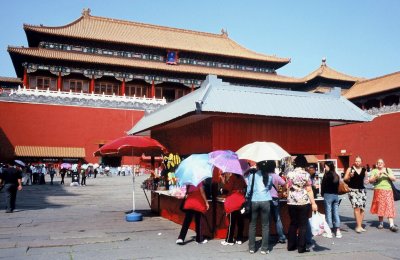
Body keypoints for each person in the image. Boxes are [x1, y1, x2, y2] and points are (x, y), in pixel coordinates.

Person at [286, 166, 318, 253]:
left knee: (293, 223)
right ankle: (301, 247)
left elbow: (288, 187)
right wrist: (313, 203)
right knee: (302, 225)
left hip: (291, 202)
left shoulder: (289, 174)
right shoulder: (306, 175)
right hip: (303, 202)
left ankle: (291, 246)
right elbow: (309, 189)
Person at [246, 160, 273, 255]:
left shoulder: (252, 175)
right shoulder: (269, 176)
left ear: (257, 166)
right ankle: (264, 249)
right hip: (265, 201)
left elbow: (249, 190)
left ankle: (252, 248)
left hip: (254, 201)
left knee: (252, 225)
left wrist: (247, 197)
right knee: (265, 226)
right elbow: (269, 188)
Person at [369, 159, 398, 232]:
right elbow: (370, 180)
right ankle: (381, 223)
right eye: (378, 163)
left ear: (384, 164)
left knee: (389, 206)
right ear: (377, 164)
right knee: (380, 206)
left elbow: (394, 179)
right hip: (378, 190)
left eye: (381, 162)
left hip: (388, 190)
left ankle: (391, 225)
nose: (380, 164)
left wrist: (386, 174)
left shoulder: (388, 170)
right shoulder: (374, 171)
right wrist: (377, 175)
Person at [220, 172, 246, 245]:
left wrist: (223, 183)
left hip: (233, 201)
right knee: (240, 221)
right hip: (241, 200)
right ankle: (239, 239)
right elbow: (245, 187)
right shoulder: (241, 178)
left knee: (232, 222)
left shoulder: (232, 178)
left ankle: (229, 240)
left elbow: (227, 189)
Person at [344, 156, 368, 233]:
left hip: (362, 191)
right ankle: (358, 226)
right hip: (353, 190)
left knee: (362, 209)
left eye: (359, 161)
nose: (358, 162)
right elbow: (345, 179)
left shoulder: (364, 170)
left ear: (361, 162)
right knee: (356, 207)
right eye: (356, 161)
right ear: (354, 161)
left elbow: (366, 180)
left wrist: (370, 180)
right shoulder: (350, 169)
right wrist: (349, 176)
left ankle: (360, 226)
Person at [321, 161, 342, 238]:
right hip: (335, 195)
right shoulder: (336, 175)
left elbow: (323, 185)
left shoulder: (327, 175)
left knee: (328, 213)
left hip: (328, 195)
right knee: (336, 213)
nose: (325, 168)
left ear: (328, 166)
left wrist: (322, 193)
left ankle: (329, 231)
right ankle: (338, 231)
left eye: (325, 166)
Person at [268, 161, 287, 244]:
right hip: (275, 198)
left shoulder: (264, 176)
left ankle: (267, 238)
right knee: (277, 219)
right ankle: (282, 237)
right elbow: (285, 184)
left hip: (266, 199)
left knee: (266, 220)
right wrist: (281, 193)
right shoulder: (276, 176)